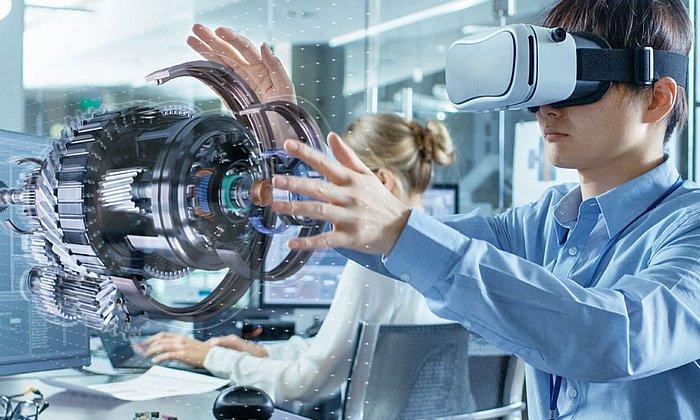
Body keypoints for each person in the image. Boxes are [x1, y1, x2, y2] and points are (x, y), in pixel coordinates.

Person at [265, 0, 700, 418]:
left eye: (574, 82)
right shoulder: (541, 225)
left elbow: (617, 337)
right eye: (543, 84)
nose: (546, 108)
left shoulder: (690, 227)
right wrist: (286, 152)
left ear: (657, 98)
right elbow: (386, 241)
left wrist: (400, 231)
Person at [142, 26, 458, 402]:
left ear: (383, 182)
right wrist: (262, 351)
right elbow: (338, 357)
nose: (331, 194)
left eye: (343, 180)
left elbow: (303, 385)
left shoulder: (378, 262)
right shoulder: (448, 252)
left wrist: (209, 355)